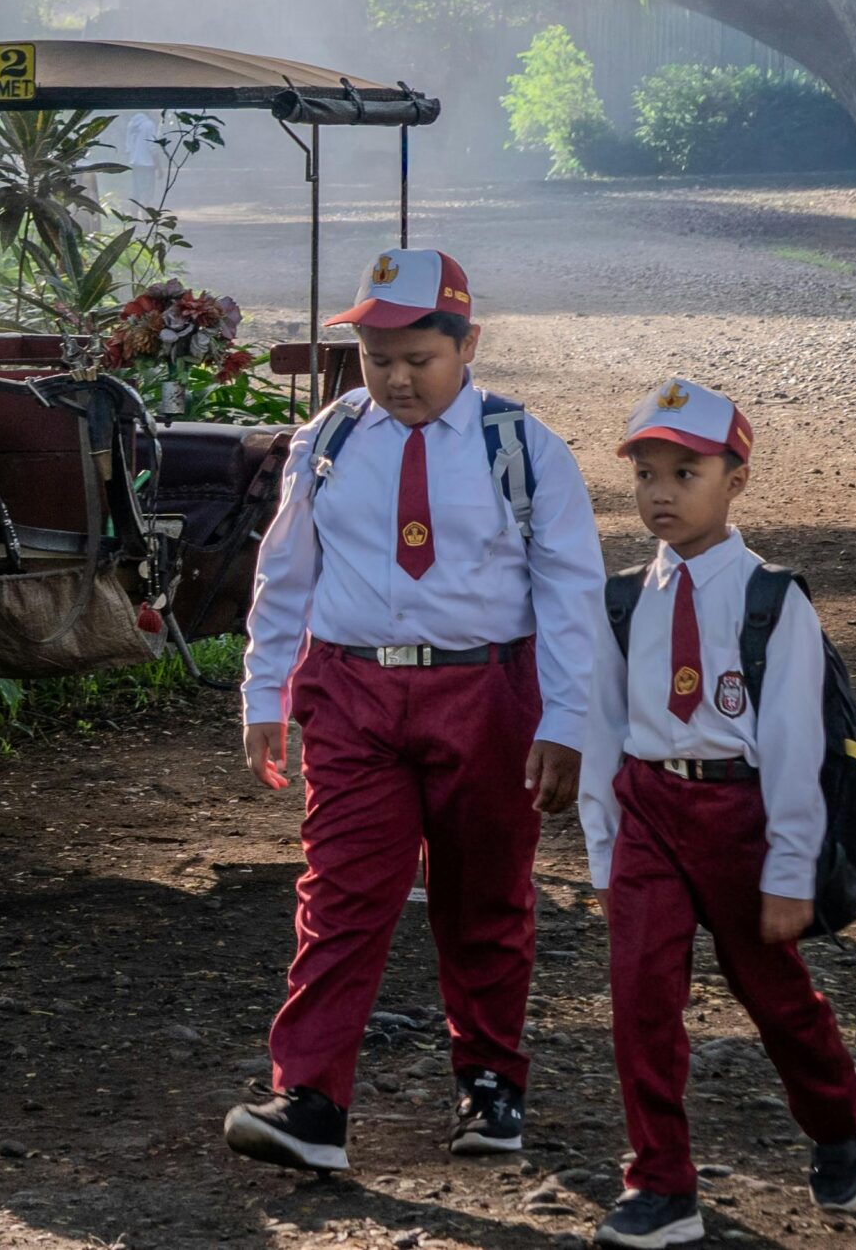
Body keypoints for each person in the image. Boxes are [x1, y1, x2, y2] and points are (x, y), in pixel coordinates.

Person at [222, 248, 607, 1174]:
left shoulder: (521, 447)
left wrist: (567, 721)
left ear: (467, 343)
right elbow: (286, 575)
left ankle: (489, 1086)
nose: (396, 377)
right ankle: (310, 1099)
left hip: (487, 695)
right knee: (342, 893)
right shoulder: (328, 442)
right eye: (377, 356)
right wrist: (264, 691)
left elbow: (570, 590)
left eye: (419, 358)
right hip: (352, 693)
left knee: (485, 895)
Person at [579, 378, 856, 1248]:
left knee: (772, 993)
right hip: (646, 810)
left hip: (738, 817)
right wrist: (602, 851)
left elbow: (791, 744)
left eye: (685, 471)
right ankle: (661, 1183)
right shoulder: (623, 598)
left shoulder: (774, 601)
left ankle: (839, 1110)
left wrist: (790, 871)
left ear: (736, 479)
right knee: (639, 999)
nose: (660, 493)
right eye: (645, 474)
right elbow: (602, 732)